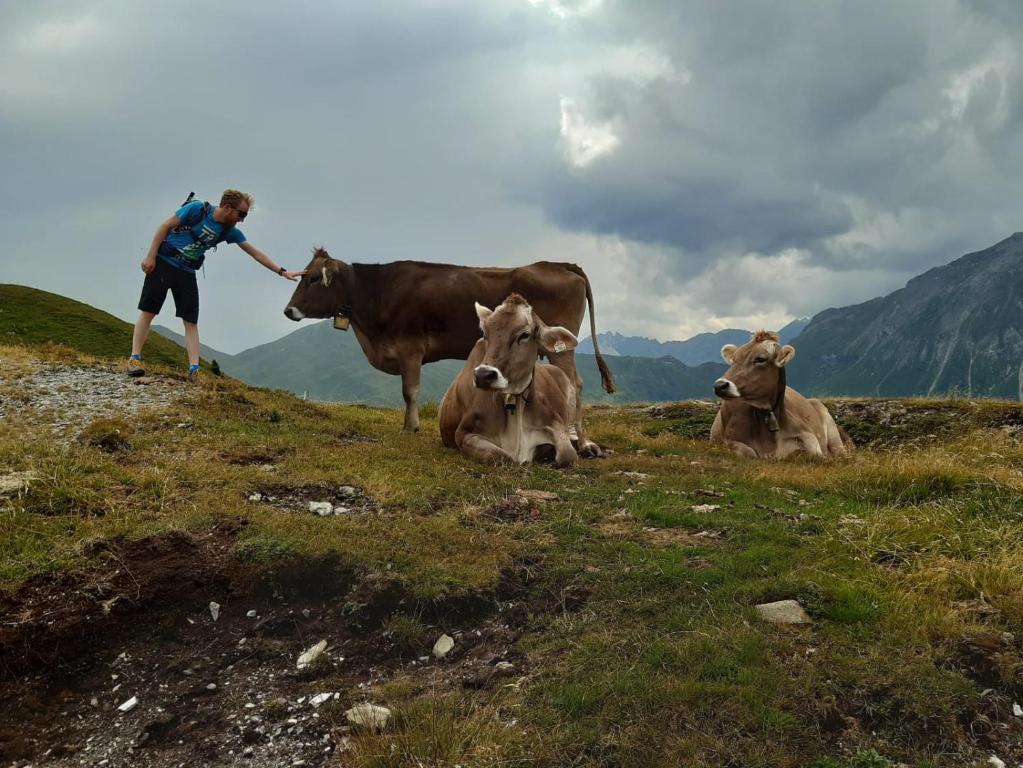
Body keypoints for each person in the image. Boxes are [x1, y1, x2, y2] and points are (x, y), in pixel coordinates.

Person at [127, 189, 305, 378]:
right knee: (149, 311)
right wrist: (150, 256)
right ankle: (135, 358)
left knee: (190, 321)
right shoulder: (197, 210)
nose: (242, 219)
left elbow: (255, 253)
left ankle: (194, 371)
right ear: (228, 207)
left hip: (187, 271)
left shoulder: (229, 231)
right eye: (241, 214)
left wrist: (282, 272)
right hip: (164, 262)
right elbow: (165, 226)